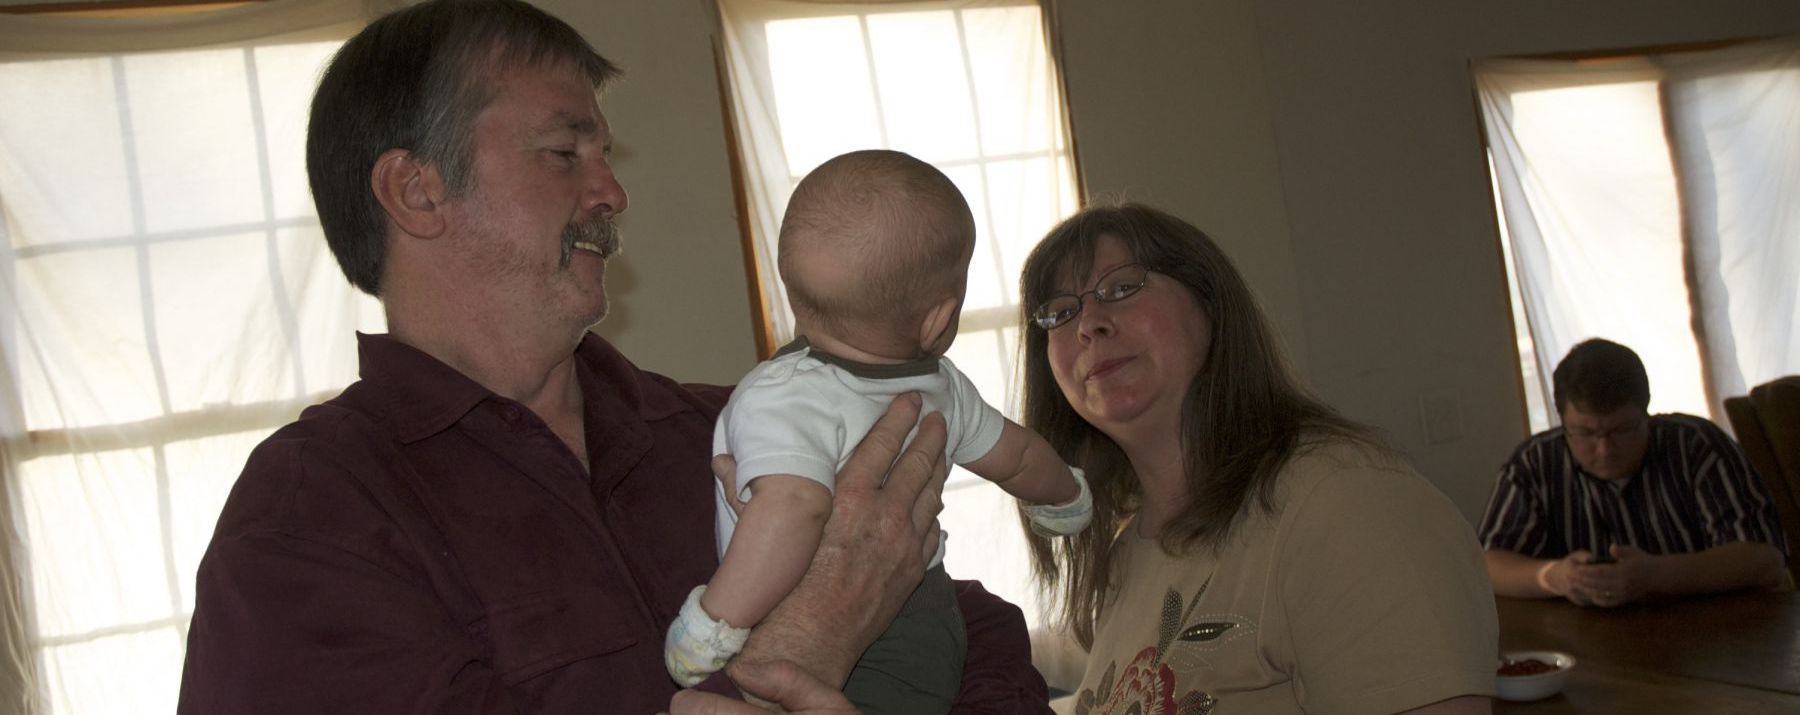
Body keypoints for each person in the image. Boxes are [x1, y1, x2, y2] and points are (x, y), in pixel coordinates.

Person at [175, 1, 1051, 713]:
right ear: (417, 189)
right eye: (564, 153)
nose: (613, 191)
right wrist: (806, 641)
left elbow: (989, 647)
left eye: (604, 152)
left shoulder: (735, 427)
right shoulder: (307, 522)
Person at [1016, 203, 1497, 714]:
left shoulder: (1347, 505)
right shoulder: (1127, 550)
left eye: (1122, 287)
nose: (1089, 323)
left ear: (1210, 302)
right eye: (1061, 312)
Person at [664, 150, 1092, 713]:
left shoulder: (781, 395)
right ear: (939, 320)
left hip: (851, 649)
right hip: (930, 622)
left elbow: (792, 511)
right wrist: (1066, 499)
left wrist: (712, 624)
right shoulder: (943, 387)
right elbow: (1017, 456)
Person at [1477, 338, 1789, 607]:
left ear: (1647, 413)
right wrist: (1552, 577)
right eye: (1584, 433)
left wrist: (1655, 575)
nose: (1604, 449)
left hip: (1719, 636)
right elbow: (1485, 566)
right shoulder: (1535, 463)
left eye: (1622, 429)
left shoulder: (1697, 447)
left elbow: (1764, 560)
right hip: (1587, 648)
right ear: (1562, 422)